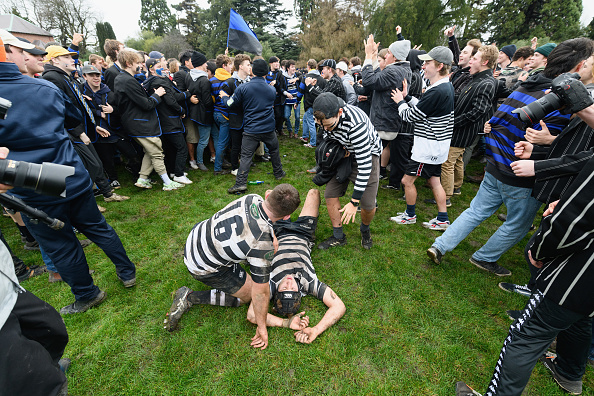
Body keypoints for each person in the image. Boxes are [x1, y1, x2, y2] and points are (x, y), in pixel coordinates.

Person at [427, 38, 590, 276]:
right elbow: (565, 147)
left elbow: (494, 123)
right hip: (521, 173)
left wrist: (497, 154)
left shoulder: (526, 85)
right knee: (519, 224)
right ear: (578, 67)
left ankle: (439, 246)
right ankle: (484, 257)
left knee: (476, 210)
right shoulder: (563, 101)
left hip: (497, 166)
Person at [0, 31, 137, 314]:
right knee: (96, 226)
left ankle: (87, 293)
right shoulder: (45, 88)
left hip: (32, 179)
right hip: (67, 170)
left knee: (61, 243)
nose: (29, 57)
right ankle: (127, 272)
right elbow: (73, 118)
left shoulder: (41, 86)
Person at [164, 184, 301, 350]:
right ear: (287, 217)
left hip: (196, 236)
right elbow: (260, 293)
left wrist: (270, 234)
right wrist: (262, 327)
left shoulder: (252, 198)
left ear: (267, 195)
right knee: (248, 296)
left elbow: (263, 222)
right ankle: (190, 297)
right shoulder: (261, 246)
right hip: (203, 266)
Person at [262, 188, 346, 344]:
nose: (288, 282)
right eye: (292, 288)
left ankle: (285, 211)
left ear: (276, 292)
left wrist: (285, 323)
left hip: (278, 232)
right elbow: (339, 306)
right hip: (303, 233)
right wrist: (316, 329)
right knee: (314, 192)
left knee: (271, 193)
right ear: (299, 291)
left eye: (284, 288)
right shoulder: (309, 283)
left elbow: (252, 314)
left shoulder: (271, 284)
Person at [389, 46, 455, 230]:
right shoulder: (444, 86)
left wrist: (400, 102)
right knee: (434, 181)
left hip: (428, 148)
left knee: (406, 181)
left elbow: (410, 116)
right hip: (437, 146)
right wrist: (408, 97)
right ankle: (442, 218)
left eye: (427, 63)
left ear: (440, 66)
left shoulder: (437, 91)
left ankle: (410, 215)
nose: (423, 66)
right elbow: (425, 109)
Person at [312, 92, 382, 250]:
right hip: (345, 153)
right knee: (330, 194)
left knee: (368, 205)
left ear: (340, 113)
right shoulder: (324, 116)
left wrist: (353, 202)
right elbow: (325, 135)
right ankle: (338, 236)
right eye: (320, 124)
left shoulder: (356, 125)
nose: (325, 128)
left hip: (367, 155)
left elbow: (365, 165)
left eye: (329, 125)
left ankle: (365, 229)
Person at [435, 45, 497, 207]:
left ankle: (445, 196)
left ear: (485, 62)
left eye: (475, 58)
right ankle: (456, 187)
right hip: (460, 129)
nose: (471, 61)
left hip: (461, 131)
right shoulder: (476, 78)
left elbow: (478, 111)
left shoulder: (486, 83)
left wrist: (452, 123)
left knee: (447, 162)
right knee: (457, 160)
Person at [114, 50, 184, 191]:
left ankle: (143, 178)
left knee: (149, 151)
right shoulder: (127, 81)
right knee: (157, 152)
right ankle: (167, 182)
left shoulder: (122, 79)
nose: (141, 65)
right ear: (128, 63)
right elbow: (147, 104)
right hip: (141, 124)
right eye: (138, 63)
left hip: (135, 123)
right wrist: (157, 95)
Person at [221, 58, 286, 194]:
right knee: (274, 150)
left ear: (253, 71)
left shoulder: (243, 88)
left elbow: (230, 104)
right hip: (268, 127)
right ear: (266, 73)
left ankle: (240, 184)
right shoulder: (271, 90)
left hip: (251, 129)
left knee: (245, 156)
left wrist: (224, 97)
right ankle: (279, 173)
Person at [361, 34, 412, 191]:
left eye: (388, 53)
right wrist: (374, 57)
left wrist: (368, 56)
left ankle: (368, 196)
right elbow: (379, 78)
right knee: (373, 160)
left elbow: (369, 81)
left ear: (395, 57)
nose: (386, 55)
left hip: (384, 124)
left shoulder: (394, 72)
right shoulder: (401, 70)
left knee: (370, 163)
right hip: (388, 122)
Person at [143, 58, 192, 185]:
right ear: (151, 69)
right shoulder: (160, 82)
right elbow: (171, 101)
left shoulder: (150, 82)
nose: (163, 67)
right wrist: (181, 110)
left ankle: (173, 171)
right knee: (181, 147)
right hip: (170, 120)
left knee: (171, 148)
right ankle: (179, 175)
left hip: (162, 120)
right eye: (159, 66)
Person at [187, 51, 216, 172]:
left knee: (205, 138)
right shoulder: (204, 80)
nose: (206, 66)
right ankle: (200, 162)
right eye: (205, 63)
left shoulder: (189, 76)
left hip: (195, 113)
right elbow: (208, 101)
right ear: (200, 64)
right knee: (203, 140)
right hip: (203, 114)